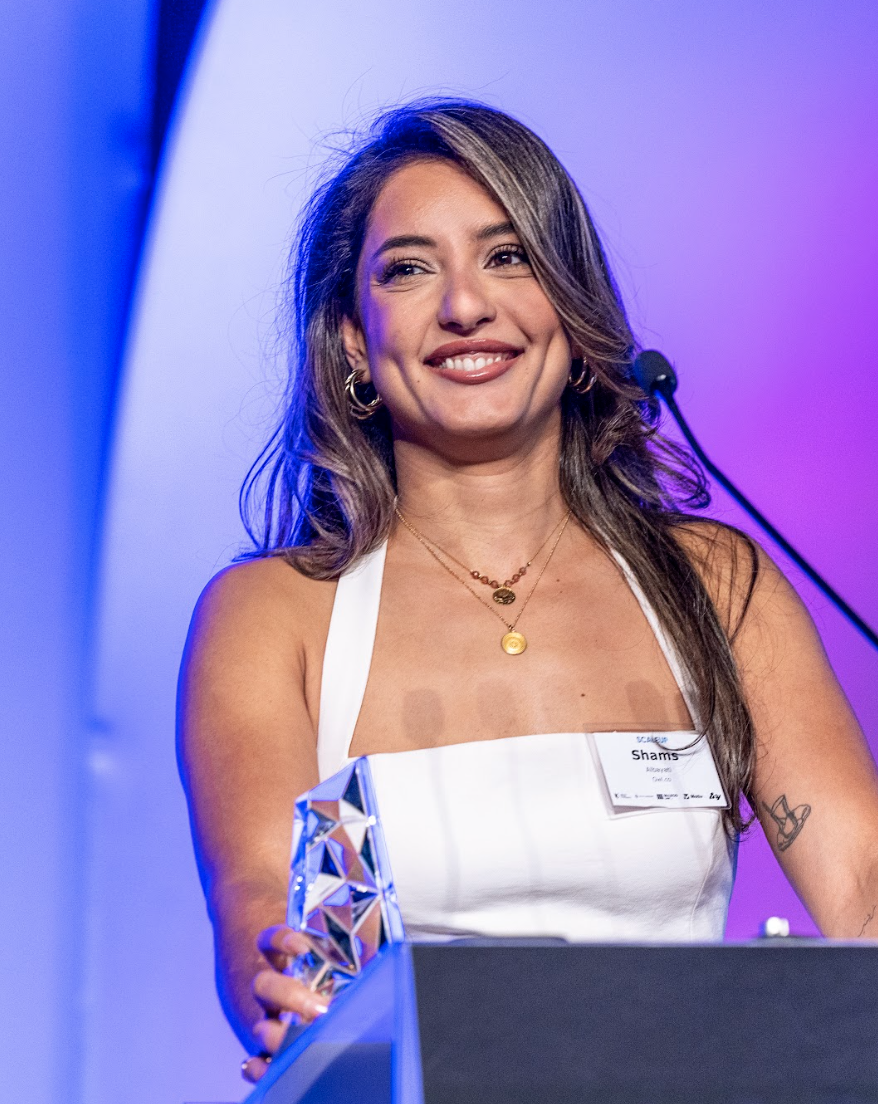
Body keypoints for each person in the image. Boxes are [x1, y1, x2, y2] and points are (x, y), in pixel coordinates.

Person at [177, 99, 878, 1083]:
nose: (466, 306)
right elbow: (263, 903)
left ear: (571, 304)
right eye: (408, 268)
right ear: (349, 339)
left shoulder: (717, 587)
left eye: (507, 257)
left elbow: (860, 889)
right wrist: (278, 982)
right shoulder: (273, 614)